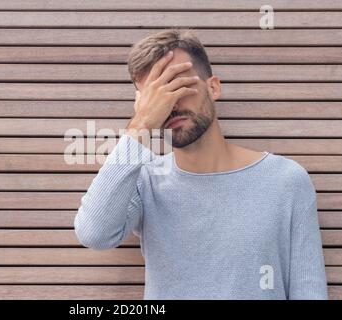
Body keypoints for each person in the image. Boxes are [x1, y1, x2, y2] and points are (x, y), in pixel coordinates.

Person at [74, 28, 328, 299]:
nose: (170, 104)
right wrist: (142, 125)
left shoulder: (286, 180)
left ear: (213, 87)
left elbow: (308, 290)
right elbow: (94, 233)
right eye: (156, 96)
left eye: (178, 86)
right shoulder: (144, 182)